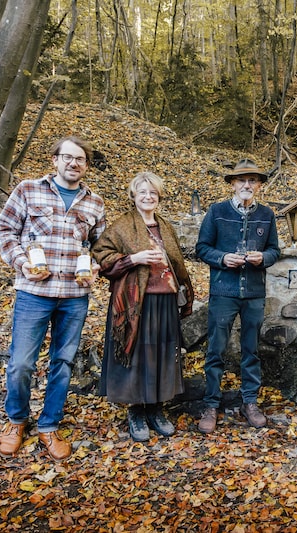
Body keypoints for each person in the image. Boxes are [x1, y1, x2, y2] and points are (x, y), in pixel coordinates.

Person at [0, 136, 105, 461]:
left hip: (74, 296)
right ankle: (16, 421)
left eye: (80, 159)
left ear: (85, 165)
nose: (74, 164)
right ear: (54, 160)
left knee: (63, 363)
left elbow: (98, 245)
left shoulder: (94, 202)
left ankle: (49, 425)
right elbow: (4, 231)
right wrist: (21, 263)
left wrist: (95, 266)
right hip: (34, 294)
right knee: (21, 364)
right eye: (68, 157)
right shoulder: (29, 190)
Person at [92, 172, 194, 442]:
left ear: (158, 197)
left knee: (162, 355)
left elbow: (177, 263)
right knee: (137, 355)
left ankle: (156, 409)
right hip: (136, 303)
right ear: (133, 196)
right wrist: (133, 258)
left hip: (166, 300)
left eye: (153, 193)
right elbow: (101, 256)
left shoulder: (165, 226)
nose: (148, 197)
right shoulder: (123, 226)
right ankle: (136, 410)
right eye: (143, 193)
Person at [194, 159, 281, 434]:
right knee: (216, 349)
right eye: (242, 180)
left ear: (258, 185)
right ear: (232, 183)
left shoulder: (267, 214)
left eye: (252, 180)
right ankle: (210, 404)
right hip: (223, 291)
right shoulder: (217, 211)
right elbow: (201, 248)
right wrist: (222, 258)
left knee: (251, 350)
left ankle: (250, 402)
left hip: (254, 292)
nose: (247, 185)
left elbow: (275, 251)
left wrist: (262, 258)